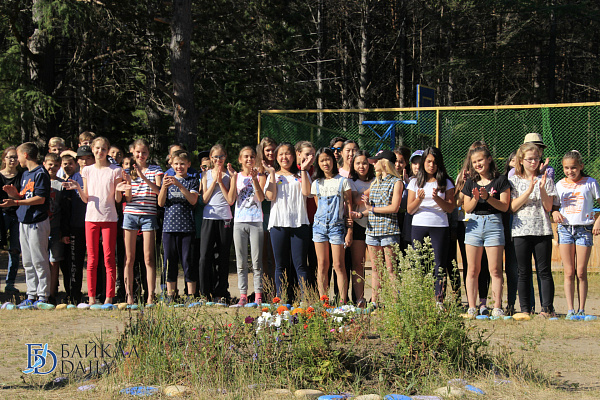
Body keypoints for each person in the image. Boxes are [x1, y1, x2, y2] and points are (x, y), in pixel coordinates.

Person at [64, 137, 125, 306]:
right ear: (93, 149)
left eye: (104, 149)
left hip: (109, 218)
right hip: (91, 218)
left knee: (109, 259)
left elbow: (117, 199)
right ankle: (91, 298)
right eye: (97, 148)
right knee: (91, 259)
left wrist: (120, 190)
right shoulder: (87, 170)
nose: (100, 151)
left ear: (107, 150)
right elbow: (85, 198)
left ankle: (109, 297)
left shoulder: (115, 170)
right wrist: (78, 187)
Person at [460, 145, 510, 318]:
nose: (477, 164)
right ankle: (472, 307)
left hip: (494, 224)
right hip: (473, 225)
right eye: (474, 162)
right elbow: (466, 207)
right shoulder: (470, 182)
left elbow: (504, 206)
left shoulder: (501, 180)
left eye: (480, 160)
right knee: (472, 270)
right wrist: (475, 199)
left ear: (489, 159)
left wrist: (488, 198)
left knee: (495, 270)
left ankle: (497, 307)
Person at [1, 143, 52, 308]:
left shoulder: (41, 173)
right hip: (24, 220)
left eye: (18, 155)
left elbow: (40, 198)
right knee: (28, 261)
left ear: (25, 155)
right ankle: (31, 294)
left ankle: (43, 295)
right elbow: (25, 195)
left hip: (37, 222)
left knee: (39, 260)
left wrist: (16, 201)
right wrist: (14, 194)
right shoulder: (25, 175)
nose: (17, 159)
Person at [509, 142, 557, 317]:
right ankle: (525, 309)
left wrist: (542, 189)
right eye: (529, 159)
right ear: (521, 160)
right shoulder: (513, 180)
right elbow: (512, 207)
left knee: (544, 271)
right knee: (523, 271)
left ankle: (547, 308)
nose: (533, 162)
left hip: (542, 230)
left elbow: (548, 206)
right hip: (521, 231)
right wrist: (529, 190)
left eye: (536, 158)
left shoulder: (546, 179)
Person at [552, 150, 600, 318]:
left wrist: (598, 221)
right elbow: (554, 206)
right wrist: (554, 213)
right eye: (566, 168)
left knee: (581, 272)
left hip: (584, 230)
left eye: (573, 167)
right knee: (569, 272)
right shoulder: (559, 184)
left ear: (581, 166)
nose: (570, 171)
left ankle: (582, 309)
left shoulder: (590, 183)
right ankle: (570, 310)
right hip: (565, 229)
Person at [352, 150, 402, 305]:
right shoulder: (375, 182)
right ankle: (375, 301)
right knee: (375, 269)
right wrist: (362, 214)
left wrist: (371, 209)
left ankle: (395, 302)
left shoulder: (397, 182)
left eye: (376, 161)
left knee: (391, 269)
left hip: (389, 230)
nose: (373, 164)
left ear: (385, 162)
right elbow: (367, 204)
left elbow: (394, 207)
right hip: (373, 231)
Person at [303, 148, 352, 303]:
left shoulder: (343, 181)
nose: (326, 163)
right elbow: (318, 206)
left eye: (328, 159)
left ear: (334, 161)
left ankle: (343, 302)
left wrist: (349, 231)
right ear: (318, 162)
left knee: (338, 264)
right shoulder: (316, 183)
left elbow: (349, 208)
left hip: (337, 227)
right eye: (322, 160)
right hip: (319, 228)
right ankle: (323, 302)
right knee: (322, 265)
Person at [407, 147, 455, 303]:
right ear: (423, 163)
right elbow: (410, 209)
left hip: (439, 226)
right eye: (428, 161)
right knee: (418, 264)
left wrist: (437, 199)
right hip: (419, 225)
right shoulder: (415, 182)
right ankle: (420, 299)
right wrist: (419, 199)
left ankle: (439, 301)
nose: (431, 165)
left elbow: (450, 207)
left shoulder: (446, 182)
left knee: (439, 264)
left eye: (435, 162)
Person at [264, 142, 312, 298]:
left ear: (294, 156)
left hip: (300, 223)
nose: (284, 157)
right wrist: (271, 174)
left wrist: (303, 169)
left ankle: (305, 300)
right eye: (281, 154)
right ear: (277, 158)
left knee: (301, 265)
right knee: (280, 266)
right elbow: (270, 196)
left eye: (288, 153)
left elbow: (307, 192)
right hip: (278, 224)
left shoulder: (301, 175)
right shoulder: (273, 176)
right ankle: (282, 300)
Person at [122, 138, 163, 305]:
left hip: (149, 215)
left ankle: (151, 295)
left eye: (144, 152)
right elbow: (128, 197)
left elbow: (159, 191)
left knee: (149, 258)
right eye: (138, 152)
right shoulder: (126, 170)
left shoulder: (155, 169)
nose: (141, 155)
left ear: (148, 153)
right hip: (130, 214)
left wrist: (143, 177)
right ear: (133, 152)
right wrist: (129, 182)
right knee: (129, 258)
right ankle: (129, 295)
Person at [454, 142, 491, 315]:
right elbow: (457, 200)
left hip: (487, 222)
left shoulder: (491, 176)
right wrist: (463, 184)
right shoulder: (463, 175)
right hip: (466, 223)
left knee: (484, 265)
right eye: (471, 154)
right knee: (470, 266)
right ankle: (471, 303)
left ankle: (483, 302)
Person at [158, 150, 199, 301]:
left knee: (187, 261)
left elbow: (193, 200)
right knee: (170, 261)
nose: (179, 167)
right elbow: (161, 203)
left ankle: (191, 295)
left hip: (187, 227)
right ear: (171, 164)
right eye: (176, 164)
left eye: (182, 164)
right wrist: (164, 187)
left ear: (188, 164)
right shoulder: (167, 179)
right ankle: (171, 294)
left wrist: (180, 185)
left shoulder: (192, 180)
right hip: (169, 227)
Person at [229, 146, 265, 307]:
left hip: (256, 221)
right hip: (239, 222)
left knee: (256, 261)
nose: (249, 159)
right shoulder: (236, 176)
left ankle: (258, 295)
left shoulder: (259, 174)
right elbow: (230, 199)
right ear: (240, 159)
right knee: (241, 261)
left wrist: (255, 179)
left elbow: (261, 198)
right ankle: (242, 295)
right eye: (245, 157)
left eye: (251, 156)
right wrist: (231, 179)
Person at [199, 144, 234, 302]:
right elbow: (204, 199)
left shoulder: (231, 175)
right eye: (215, 157)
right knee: (205, 256)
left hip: (225, 217)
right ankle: (204, 292)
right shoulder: (206, 174)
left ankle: (221, 292)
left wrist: (222, 181)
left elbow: (230, 200)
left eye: (221, 156)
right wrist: (215, 181)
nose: (218, 159)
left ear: (225, 156)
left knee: (223, 256)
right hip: (209, 218)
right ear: (211, 159)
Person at [348, 150, 375, 307]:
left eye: (364, 162)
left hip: (375, 226)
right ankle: (360, 298)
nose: (361, 166)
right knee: (358, 264)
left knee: (376, 265)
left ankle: (376, 299)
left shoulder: (376, 180)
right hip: (358, 226)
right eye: (358, 163)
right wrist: (374, 187)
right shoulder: (351, 181)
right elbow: (356, 199)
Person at [43, 153, 68, 304]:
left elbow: (65, 210)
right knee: (41, 261)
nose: (52, 167)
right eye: (50, 164)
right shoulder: (40, 181)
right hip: (41, 226)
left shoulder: (61, 184)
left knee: (54, 261)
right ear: (44, 164)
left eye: (56, 165)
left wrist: (63, 231)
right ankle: (42, 293)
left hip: (56, 226)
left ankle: (52, 295)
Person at [257, 137, 278, 286]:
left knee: (275, 255)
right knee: (263, 255)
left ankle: (277, 288)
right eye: (267, 150)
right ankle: (265, 288)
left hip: (277, 213)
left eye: (273, 150)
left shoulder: (280, 167)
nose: (271, 153)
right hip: (262, 214)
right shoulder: (258, 169)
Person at [0, 147, 22, 294]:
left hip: (17, 216)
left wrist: (14, 197)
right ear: (4, 159)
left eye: (15, 157)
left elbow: (22, 197)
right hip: (1, 215)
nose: (12, 160)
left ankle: (10, 283)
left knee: (14, 250)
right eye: (9, 157)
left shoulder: (22, 176)